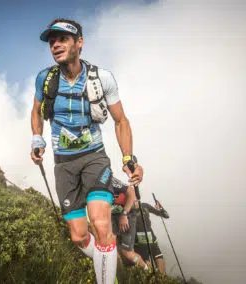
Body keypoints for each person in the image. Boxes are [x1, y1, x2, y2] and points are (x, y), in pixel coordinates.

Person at [30, 18, 143, 284]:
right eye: (51, 41)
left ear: (79, 43)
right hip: (64, 164)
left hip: (94, 157)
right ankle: (109, 258)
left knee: (101, 223)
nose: (55, 45)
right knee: (79, 236)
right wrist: (36, 138)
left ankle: (106, 273)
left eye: (63, 39)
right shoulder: (45, 79)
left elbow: (121, 121)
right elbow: (36, 111)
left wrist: (128, 158)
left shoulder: (102, 79)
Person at [110, 177, 150, 271]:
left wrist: (124, 214)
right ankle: (120, 273)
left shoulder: (107, 178)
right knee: (111, 246)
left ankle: (146, 269)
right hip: (113, 215)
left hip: (127, 214)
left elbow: (131, 191)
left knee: (127, 252)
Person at [134, 201, 169, 274]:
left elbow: (166, 215)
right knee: (156, 258)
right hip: (147, 238)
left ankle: (156, 278)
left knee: (148, 261)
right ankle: (161, 278)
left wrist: (160, 208)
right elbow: (166, 215)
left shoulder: (128, 208)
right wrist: (161, 209)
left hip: (142, 240)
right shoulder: (143, 206)